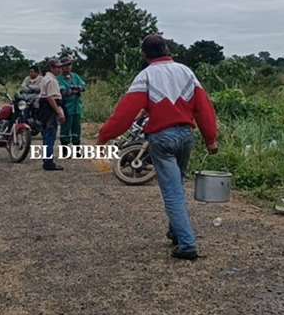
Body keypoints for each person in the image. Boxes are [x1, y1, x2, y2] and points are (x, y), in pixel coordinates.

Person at [97, 34, 218, 260]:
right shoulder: (186, 72)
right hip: (185, 136)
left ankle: (187, 243)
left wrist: (104, 136)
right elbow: (204, 107)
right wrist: (211, 138)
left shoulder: (146, 76)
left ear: (144, 54)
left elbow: (125, 113)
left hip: (161, 139)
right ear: (168, 49)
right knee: (178, 184)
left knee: (171, 191)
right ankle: (175, 231)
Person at [38, 58, 66, 171]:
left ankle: (46, 160)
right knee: (50, 135)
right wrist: (59, 112)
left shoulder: (45, 78)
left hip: (44, 109)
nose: (59, 69)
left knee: (46, 136)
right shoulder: (52, 80)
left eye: (60, 67)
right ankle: (49, 162)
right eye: (57, 67)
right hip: (50, 109)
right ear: (52, 68)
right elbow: (51, 98)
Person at [57, 57, 87, 146]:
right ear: (61, 67)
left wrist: (76, 89)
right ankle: (65, 148)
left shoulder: (75, 76)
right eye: (65, 65)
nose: (68, 67)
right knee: (65, 128)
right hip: (66, 108)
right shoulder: (59, 79)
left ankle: (76, 147)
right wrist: (75, 90)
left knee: (77, 128)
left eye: (69, 65)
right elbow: (64, 92)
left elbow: (83, 87)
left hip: (77, 107)